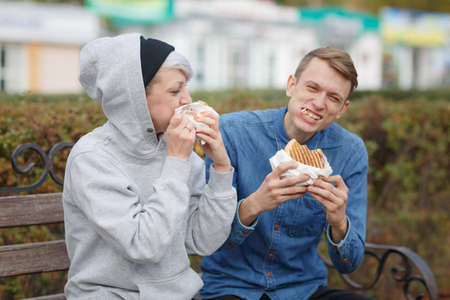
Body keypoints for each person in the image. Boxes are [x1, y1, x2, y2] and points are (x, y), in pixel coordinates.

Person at [62, 33, 237, 300]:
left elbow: (203, 240)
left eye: (186, 88)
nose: (187, 100)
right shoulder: (92, 158)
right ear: (135, 97)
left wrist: (222, 167)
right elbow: (143, 247)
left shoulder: (175, 147)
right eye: (175, 91)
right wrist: (176, 162)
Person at [200, 48, 373, 300]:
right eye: (312, 88)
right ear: (291, 85)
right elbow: (208, 239)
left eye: (333, 98)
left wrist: (339, 222)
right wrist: (255, 204)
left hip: (303, 289)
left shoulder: (350, 151)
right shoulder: (233, 132)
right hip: (232, 286)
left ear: (342, 109)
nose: (319, 103)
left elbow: (349, 263)